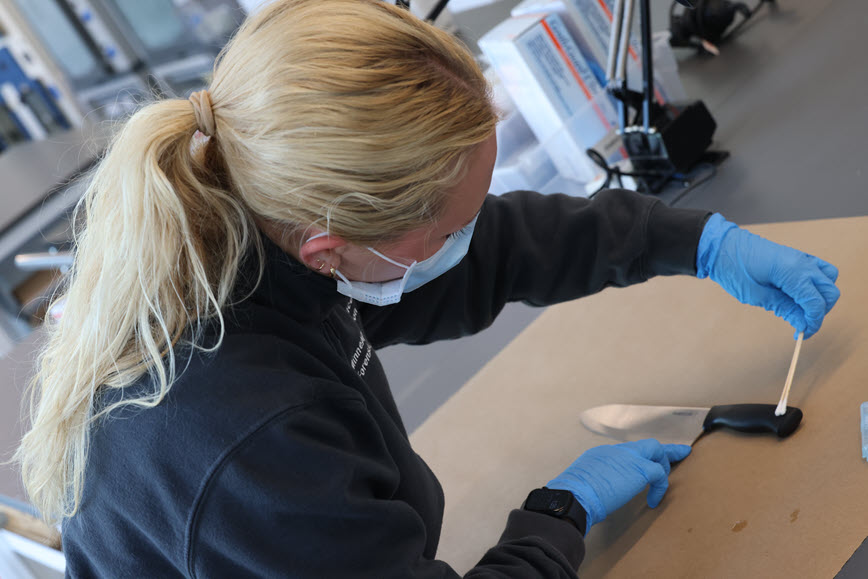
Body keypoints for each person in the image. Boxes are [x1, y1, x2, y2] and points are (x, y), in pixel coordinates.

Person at [16, 0, 839, 577]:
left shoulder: (257, 225)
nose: (468, 242)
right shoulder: (251, 438)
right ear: (331, 249)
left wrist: (694, 240)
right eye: (445, 230)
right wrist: (558, 517)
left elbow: (493, 247)